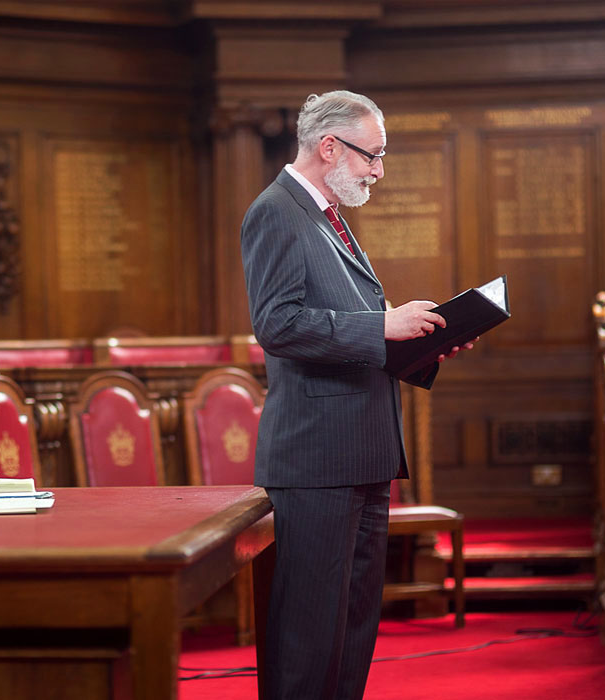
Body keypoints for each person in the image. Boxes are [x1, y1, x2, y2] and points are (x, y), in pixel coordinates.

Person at [241, 90, 469, 699]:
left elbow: (347, 326)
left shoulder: (324, 215)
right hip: (317, 460)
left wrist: (416, 341)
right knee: (309, 640)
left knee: (349, 633)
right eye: (374, 155)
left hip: (359, 455)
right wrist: (381, 325)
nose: (379, 170)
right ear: (329, 147)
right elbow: (279, 324)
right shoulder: (278, 211)